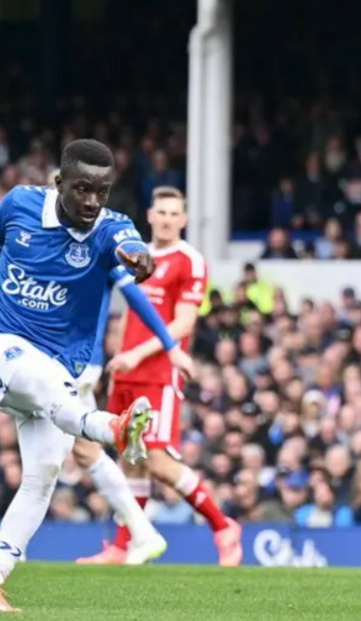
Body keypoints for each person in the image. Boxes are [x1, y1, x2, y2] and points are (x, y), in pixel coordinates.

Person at [0, 139, 194, 612]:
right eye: (82, 189)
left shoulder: (110, 228)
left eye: (102, 191)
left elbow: (132, 245)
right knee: (48, 384)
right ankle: (114, 428)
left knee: (43, 474)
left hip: (53, 373)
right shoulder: (19, 205)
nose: (92, 201)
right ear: (59, 183)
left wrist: (142, 258)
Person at [74, 186, 243, 566]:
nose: (167, 219)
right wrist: (120, 357)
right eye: (161, 212)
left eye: (174, 214)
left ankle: (222, 526)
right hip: (127, 371)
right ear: (149, 215)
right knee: (129, 459)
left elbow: (183, 323)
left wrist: (137, 353)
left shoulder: (189, 261)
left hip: (159, 374)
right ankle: (123, 545)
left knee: (157, 462)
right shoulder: (135, 255)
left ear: (183, 220)